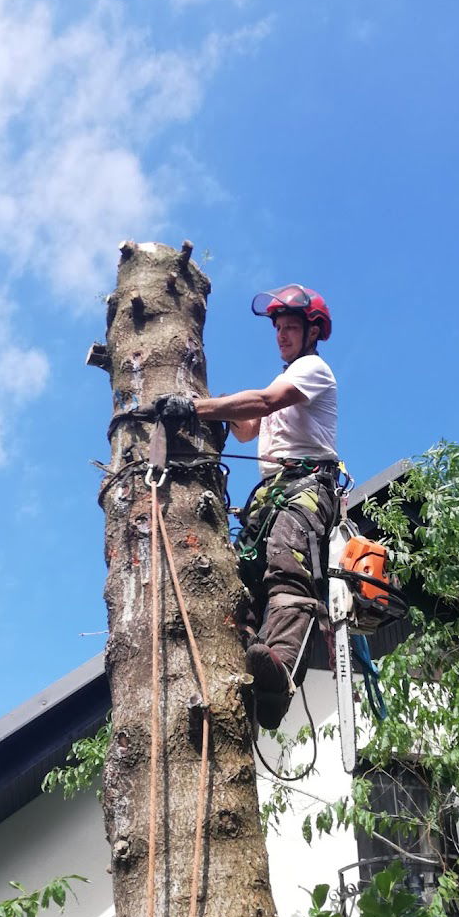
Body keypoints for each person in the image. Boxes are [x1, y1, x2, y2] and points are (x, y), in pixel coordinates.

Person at [153, 284, 340, 729]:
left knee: (286, 567)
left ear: (312, 331)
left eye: (291, 326)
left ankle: (281, 677)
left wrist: (197, 407)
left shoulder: (313, 369)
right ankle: (252, 656)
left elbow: (264, 402)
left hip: (305, 485)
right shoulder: (284, 377)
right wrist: (213, 407)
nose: (282, 335)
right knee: (246, 579)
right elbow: (246, 427)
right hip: (273, 492)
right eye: (278, 328)